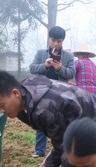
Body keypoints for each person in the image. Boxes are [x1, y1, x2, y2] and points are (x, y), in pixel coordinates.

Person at [29, 26, 75, 158]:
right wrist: (45, 66)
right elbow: (32, 68)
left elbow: (71, 73)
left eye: (59, 41)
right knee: (40, 118)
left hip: (60, 92)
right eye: (53, 40)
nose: (56, 44)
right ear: (49, 39)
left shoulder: (68, 56)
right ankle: (39, 150)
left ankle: (64, 149)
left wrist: (60, 68)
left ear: (62, 42)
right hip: (42, 91)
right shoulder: (41, 53)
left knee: (62, 119)